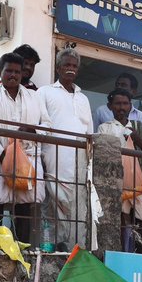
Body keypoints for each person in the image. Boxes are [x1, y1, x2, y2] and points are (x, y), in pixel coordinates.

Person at [0, 52, 45, 239]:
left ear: (22, 74)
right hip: (0, 159)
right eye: (9, 71)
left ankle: (22, 250)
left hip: (29, 157)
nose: (13, 75)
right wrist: (5, 157)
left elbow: (47, 126)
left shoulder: (35, 97)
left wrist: (32, 130)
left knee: (25, 207)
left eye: (17, 71)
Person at [37, 48, 94, 248]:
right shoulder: (45, 92)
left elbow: (89, 132)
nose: (70, 69)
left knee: (77, 210)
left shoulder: (83, 98)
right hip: (54, 161)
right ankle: (54, 248)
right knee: (53, 207)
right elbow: (41, 126)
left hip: (79, 165)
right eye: (67, 65)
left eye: (74, 66)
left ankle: (73, 250)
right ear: (58, 68)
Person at [98, 88, 142, 250]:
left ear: (130, 106)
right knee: (122, 220)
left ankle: (141, 254)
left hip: (139, 181)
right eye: (117, 104)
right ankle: (124, 253)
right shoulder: (105, 128)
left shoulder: (139, 127)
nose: (121, 107)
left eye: (125, 104)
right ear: (110, 106)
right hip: (117, 182)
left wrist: (137, 138)